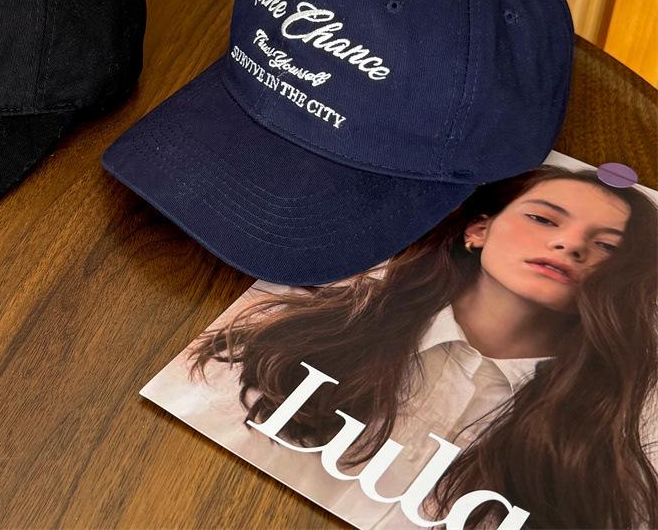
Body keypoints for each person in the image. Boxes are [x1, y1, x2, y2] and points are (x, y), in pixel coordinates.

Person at [158, 166, 657, 529]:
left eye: (607, 246)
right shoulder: (305, 329)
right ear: (478, 230)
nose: (571, 245)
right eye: (545, 220)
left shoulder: (612, 445)